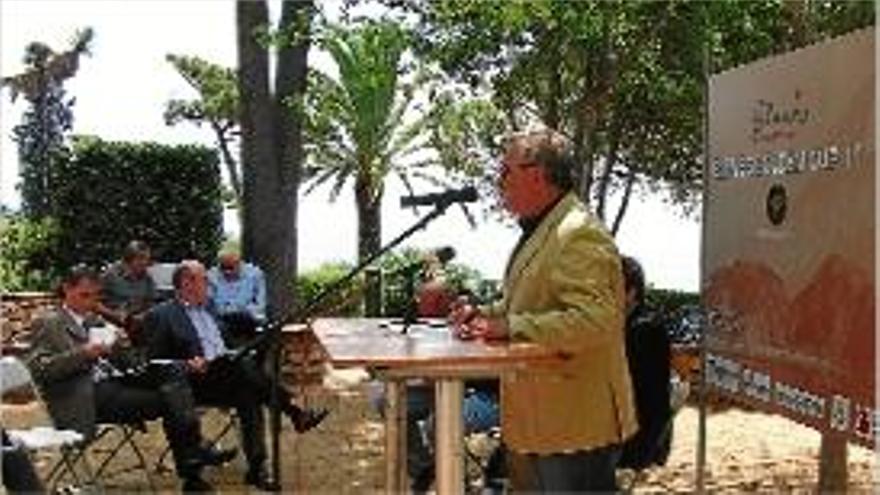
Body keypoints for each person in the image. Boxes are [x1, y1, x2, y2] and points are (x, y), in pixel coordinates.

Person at [450, 128, 638, 492]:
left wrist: (507, 327)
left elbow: (595, 321)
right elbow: (524, 303)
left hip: (575, 426)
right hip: (538, 422)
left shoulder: (578, 231)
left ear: (536, 174)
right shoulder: (544, 228)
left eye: (505, 171)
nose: (499, 181)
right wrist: (481, 314)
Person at [25, 265, 229, 492]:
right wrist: (83, 354)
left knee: (172, 377)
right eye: (85, 295)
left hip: (115, 385)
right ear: (66, 289)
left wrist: (122, 346)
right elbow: (39, 369)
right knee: (170, 396)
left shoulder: (96, 321)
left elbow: (128, 363)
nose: (91, 302)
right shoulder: (49, 322)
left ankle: (193, 461)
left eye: (95, 296)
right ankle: (194, 462)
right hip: (84, 396)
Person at [143, 260, 329, 491]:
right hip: (194, 381)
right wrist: (187, 364)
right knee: (244, 369)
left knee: (247, 390)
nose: (209, 285)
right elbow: (154, 363)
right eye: (204, 281)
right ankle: (293, 410)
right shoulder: (161, 315)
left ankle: (257, 467)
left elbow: (227, 337)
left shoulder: (209, 306)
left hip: (227, 374)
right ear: (186, 283)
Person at [619, 256, 673, 470]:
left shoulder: (644, 330)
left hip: (637, 442)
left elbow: (653, 403)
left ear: (631, 292)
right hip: (631, 432)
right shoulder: (631, 324)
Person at [97, 240, 157, 344]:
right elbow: (93, 302)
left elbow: (151, 304)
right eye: (141, 259)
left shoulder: (147, 278)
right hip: (111, 323)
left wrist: (142, 316)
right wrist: (114, 314)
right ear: (129, 260)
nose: (145, 263)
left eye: (147, 259)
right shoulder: (110, 275)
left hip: (136, 324)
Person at [207, 249, 267, 341]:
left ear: (239, 264)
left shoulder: (255, 274)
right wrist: (235, 309)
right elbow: (211, 304)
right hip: (223, 319)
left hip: (249, 318)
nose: (227, 272)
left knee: (247, 320)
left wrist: (241, 310)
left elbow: (260, 305)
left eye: (230, 268)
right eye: (223, 268)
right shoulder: (211, 276)